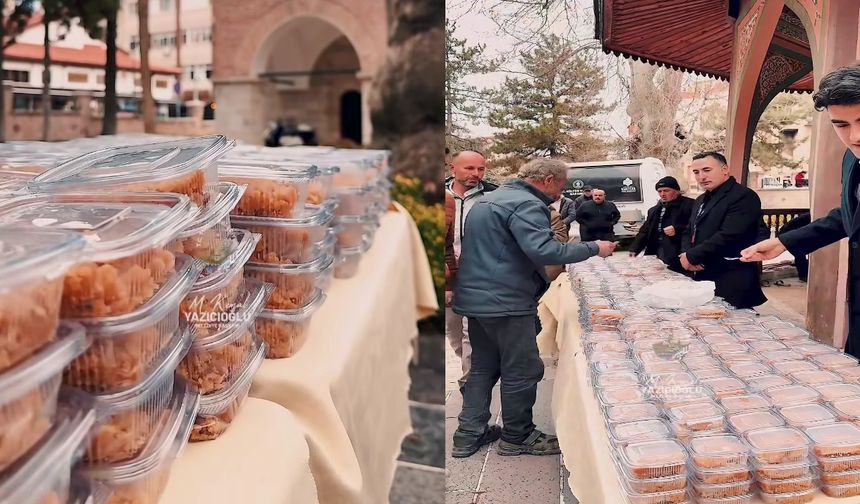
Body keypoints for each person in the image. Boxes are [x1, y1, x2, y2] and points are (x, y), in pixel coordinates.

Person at [452, 158, 616, 458]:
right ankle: (518, 435)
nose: (560, 194)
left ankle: (468, 433)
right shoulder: (525, 203)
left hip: (477, 300)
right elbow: (545, 250)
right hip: (506, 300)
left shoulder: (489, 200)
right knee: (522, 369)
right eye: (561, 186)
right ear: (549, 179)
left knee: (482, 368)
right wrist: (595, 248)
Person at [742, 64, 860, 356]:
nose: (855, 136)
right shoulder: (851, 158)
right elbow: (849, 217)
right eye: (841, 125)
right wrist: (784, 242)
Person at [680, 151, 767, 309]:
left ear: (725, 169)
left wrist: (691, 255)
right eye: (696, 172)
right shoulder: (700, 200)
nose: (701, 177)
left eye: (707, 170)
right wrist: (686, 255)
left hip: (732, 275)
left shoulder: (743, 196)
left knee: (735, 327)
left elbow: (730, 235)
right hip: (703, 273)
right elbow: (689, 230)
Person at [444, 150, 498, 392]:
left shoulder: (495, 195)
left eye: (481, 169)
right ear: (452, 168)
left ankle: (471, 384)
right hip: (447, 275)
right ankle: (471, 370)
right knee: (453, 333)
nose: (476, 174)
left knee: (471, 335)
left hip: (480, 277)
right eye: (469, 168)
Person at [629, 176, 695, 273]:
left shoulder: (690, 205)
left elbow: (697, 226)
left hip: (679, 250)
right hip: (657, 250)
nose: (662, 194)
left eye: (666, 191)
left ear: (676, 191)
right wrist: (634, 248)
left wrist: (677, 229)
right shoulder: (655, 210)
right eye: (659, 191)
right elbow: (645, 231)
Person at [777, 213, 811, 282]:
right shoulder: (813, 216)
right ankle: (803, 276)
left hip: (790, 232)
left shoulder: (811, 216)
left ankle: (804, 275)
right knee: (800, 254)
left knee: (800, 254)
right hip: (787, 233)